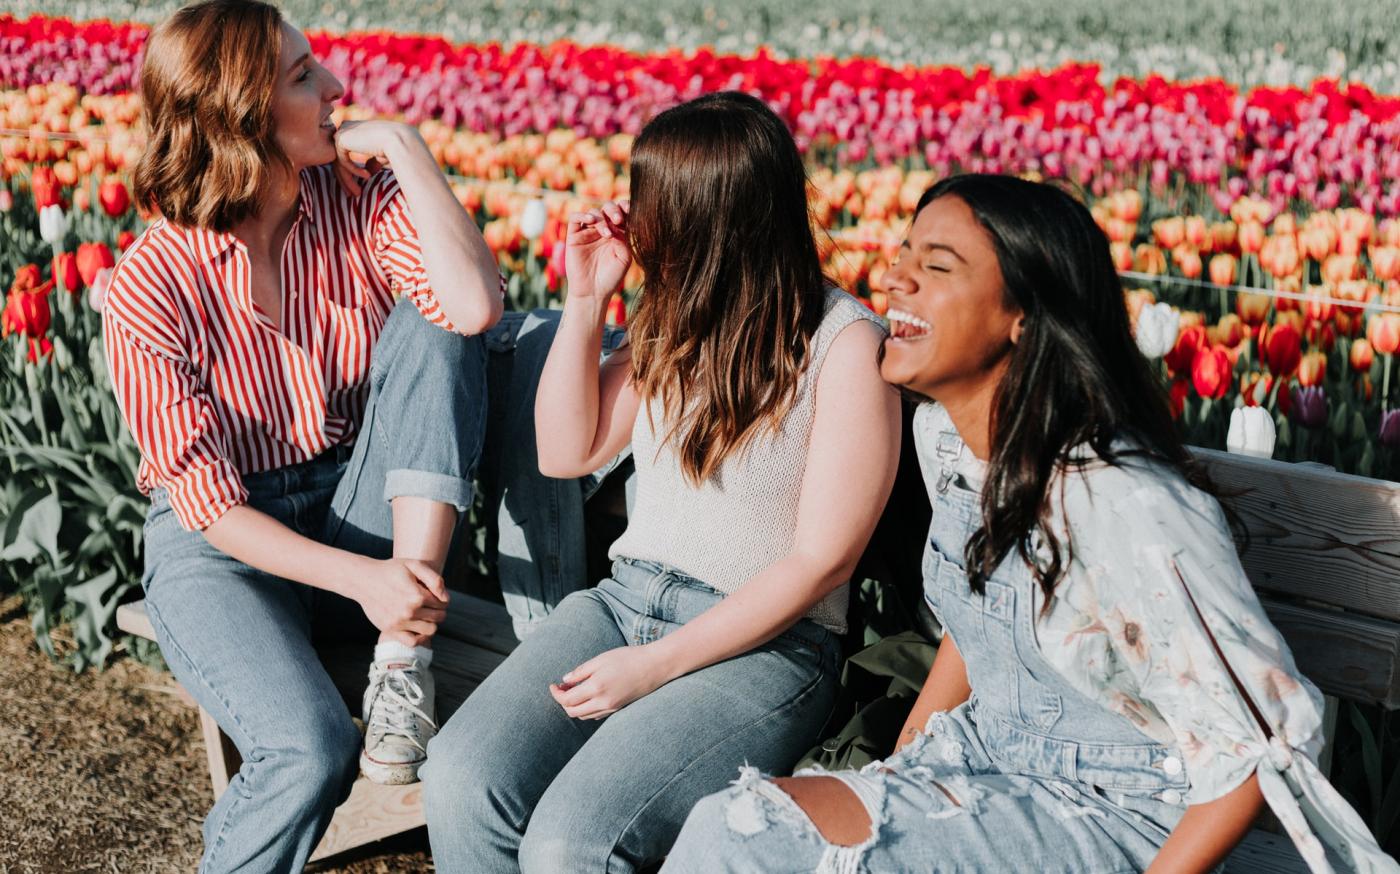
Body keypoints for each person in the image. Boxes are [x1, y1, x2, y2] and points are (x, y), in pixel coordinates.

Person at [662, 175, 1398, 873]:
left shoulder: (1121, 501)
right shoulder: (948, 445)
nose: (895, 279)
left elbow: (1256, 742)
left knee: (745, 842)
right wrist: (901, 768)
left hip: (1122, 817)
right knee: (737, 827)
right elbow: (981, 626)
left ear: (1024, 316)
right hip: (988, 766)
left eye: (938, 266)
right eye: (903, 257)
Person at [421, 91, 902, 874]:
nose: (631, 216)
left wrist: (653, 666)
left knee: (572, 841)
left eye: (648, 199)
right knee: (461, 779)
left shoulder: (845, 345)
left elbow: (822, 563)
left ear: (707, 217)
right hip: (620, 607)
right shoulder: (678, 320)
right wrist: (585, 301)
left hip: (765, 648)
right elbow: (565, 451)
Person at [102, 1, 505, 869]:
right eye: (302, 76)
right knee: (309, 751)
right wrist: (366, 578)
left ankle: (403, 661)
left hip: (354, 501)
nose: (335, 88)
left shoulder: (356, 199)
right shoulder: (148, 289)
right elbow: (207, 505)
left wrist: (403, 144)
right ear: (240, 114)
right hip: (226, 550)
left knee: (435, 325)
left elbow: (470, 309)